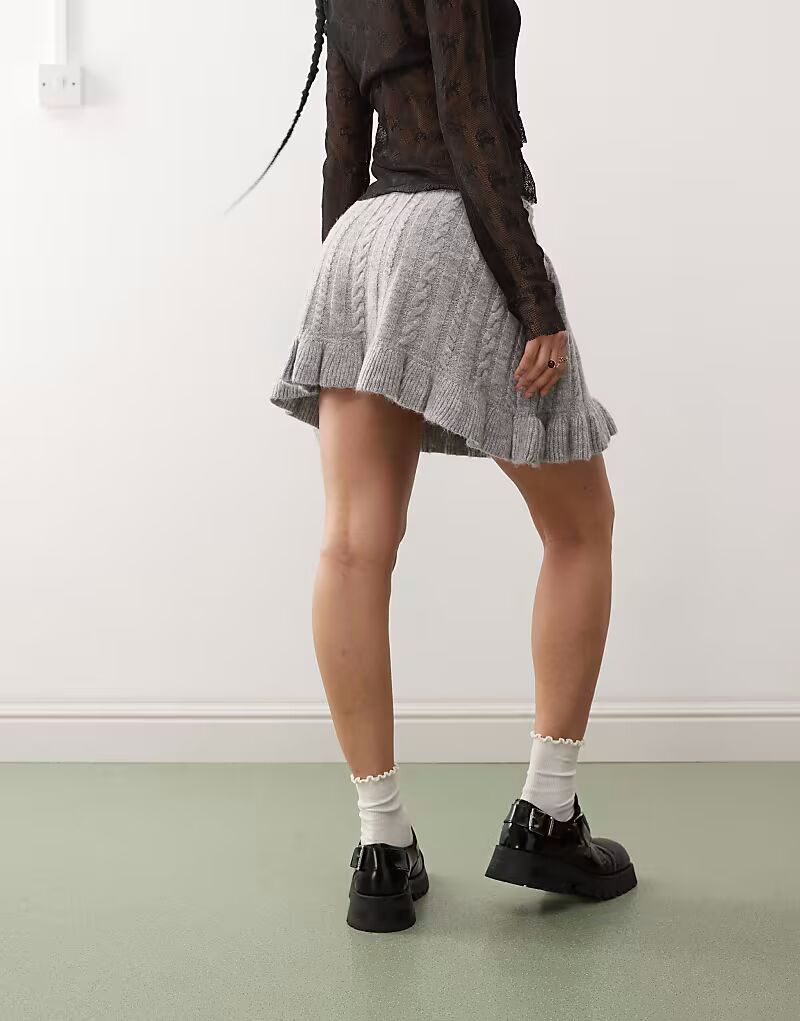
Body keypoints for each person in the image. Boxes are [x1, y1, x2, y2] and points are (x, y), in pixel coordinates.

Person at [238, 0, 637, 932]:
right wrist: (534, 297)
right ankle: (548, 812)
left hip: (361, 241)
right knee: (581, 528)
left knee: (351, 547)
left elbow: (342, 154)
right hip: (460, 233)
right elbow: (467, 117)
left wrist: (351, 290)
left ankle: (380, 844)